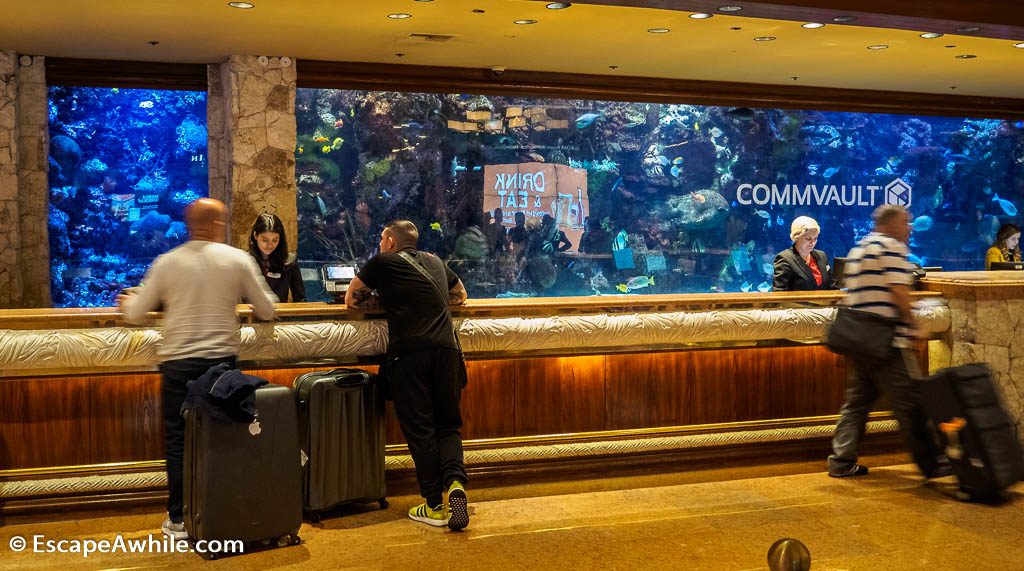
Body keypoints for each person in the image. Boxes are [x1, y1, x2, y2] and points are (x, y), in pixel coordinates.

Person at [117, 198, 277, 540]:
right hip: (221, 366)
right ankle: (222, 509)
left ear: (188, 225)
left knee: (179, 440)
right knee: (224, 436)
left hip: (178, 364)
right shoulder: (237, 260)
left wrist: (128, 302)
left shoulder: (167, 262)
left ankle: (179, 518)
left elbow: (135, 314)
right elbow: (267, 309)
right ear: (219, 225)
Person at [345, 220, 471, 531]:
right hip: (446, 353)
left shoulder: (382, 262)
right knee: (448, 425)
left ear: (389, 240)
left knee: (421, 430)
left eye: (381, 238)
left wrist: (388, 302)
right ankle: (455, 483)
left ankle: (434, 504)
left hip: (410, 355)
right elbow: (461, 295)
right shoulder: (435, 261)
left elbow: (352, 299)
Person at [827, 204, 951, 479]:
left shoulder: (859, 249)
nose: (909, 228)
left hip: (860, 341)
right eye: (906, 223)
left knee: (857, 403)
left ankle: (841, 460)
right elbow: (898, 293)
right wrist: (914, 324)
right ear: (891, 224)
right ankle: (932, 463)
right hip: (886, 342)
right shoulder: (891, 248)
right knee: (909, 403)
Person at [248, 213, 306, 302]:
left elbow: (301, 299)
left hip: (279, 314)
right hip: (250, 314)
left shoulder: (289, 261)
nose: (270, 245)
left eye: (275, 240)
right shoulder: (244, 261)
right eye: (265, 240)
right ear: (255, 235)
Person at [773, 216, 837, 291]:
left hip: (826, 302)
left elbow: (833, 286)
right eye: (808, 238)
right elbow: (779, 293)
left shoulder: (822, 256)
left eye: (815, 238)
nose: (812, 242)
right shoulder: (784, 258)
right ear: (796, 237)